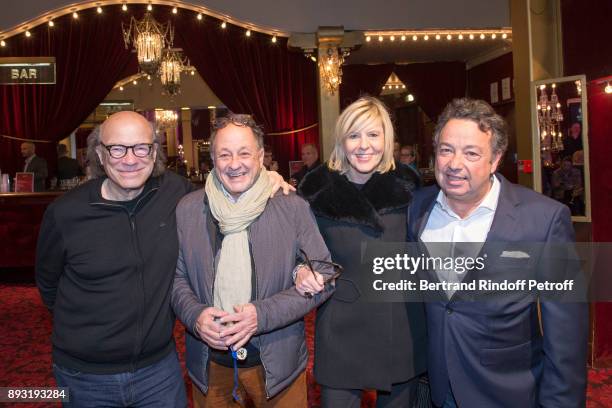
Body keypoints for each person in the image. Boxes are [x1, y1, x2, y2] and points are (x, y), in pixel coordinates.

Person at [36, 111, 291, 407]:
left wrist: (265, 178)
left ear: (154, 151)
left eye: (141, 147)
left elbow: (228, 187)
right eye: (117, 148)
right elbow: (49, 286)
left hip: (158, 372)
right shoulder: (65, 213)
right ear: (99, 154)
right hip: (84, 375)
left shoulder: (177, 195)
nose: (130, 159)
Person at [407, 98, 587, 407]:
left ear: (495, 160)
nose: (454, 164)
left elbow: (566, 339)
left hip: (507, 393)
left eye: (471, 153)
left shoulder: (543, 220)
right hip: (438, 390)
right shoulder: (417, 208)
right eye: (446, 150)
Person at [171, 113, 334, 408]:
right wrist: (195, 316)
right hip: (210, 364)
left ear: (260, 156)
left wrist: (262, 315)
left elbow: (325, 277)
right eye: (225, 155)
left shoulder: (291, 206)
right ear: (213, 159)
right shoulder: (187, 209)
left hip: (277, 365)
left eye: (244, 153)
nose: (235, 164)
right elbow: (176, 278)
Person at [297, 96, 427, 407]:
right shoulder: (317, 190)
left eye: (373, 134)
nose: (363, 145)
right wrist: (299, 269)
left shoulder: (409, 187)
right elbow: (299, 249)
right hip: (341, 328)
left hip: (401, 328)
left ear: (387, 139)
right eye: (354, 135)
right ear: (341, 140)